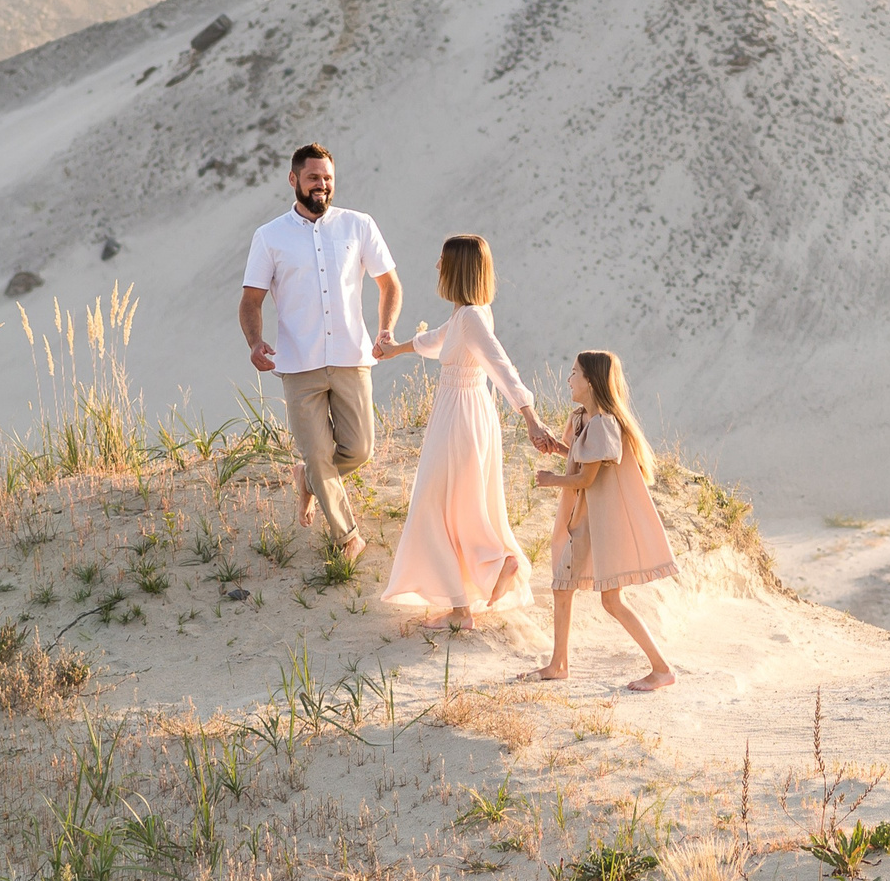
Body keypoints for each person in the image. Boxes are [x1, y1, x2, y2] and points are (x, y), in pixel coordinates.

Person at [377, 235, 565, 629]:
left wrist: (532, 419)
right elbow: (435, 341)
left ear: (457, 268)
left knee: (434, 505)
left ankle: (476, 592)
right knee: (457, 504)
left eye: (442, 260)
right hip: (466, 413)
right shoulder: (469, 314)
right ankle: (482, 583)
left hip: (460, 417)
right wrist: (395, 350)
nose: (436, 267)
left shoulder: (473, 318)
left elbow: (501, 366)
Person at [238, 144, 403, 566]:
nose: (322, 185)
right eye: (313, 178)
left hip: (352, 356)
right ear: (293, 180)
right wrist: (255, 343)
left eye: (327, 177)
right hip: (298, 365)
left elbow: (390, 285)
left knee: (360, 449)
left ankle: (306, 479)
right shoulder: (269, 236)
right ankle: (348, 537)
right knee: (317, 453)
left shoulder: (359, 225)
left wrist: (386, 330)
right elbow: (251, 300)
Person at [531, 350, 679, 689]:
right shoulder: (584, 420)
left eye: (574, 373)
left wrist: (551, 479)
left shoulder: (603, 425)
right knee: (565, 588)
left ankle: (661, 669)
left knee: (608, 599)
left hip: (599, 525)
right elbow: (585, 459)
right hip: (587, 521)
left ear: (590, 381)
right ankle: (559, 663)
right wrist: (558, 448)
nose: (568, 380)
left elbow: (585, 479)